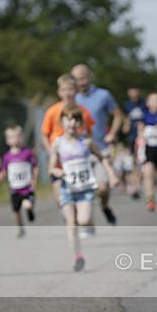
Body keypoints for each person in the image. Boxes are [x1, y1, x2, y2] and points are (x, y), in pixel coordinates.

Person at [48, 105, 118, 272]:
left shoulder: (86, 142)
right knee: (71, 224)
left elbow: (102, 158)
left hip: (85, 189)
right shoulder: (57, 144)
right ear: (62, 122)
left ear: (80, 123)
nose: (72, 123)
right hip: (67, 189)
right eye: (68, 119)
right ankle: (78, 256)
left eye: (75, 120)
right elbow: (50, 167)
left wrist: (111, 174)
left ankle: (89, 224)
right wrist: (56, 170)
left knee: (84, 220)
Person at [71, 64, 124, 225]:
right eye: (76, 79)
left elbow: (118, 115)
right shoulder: (72, 98)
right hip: (79, 151)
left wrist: (112, 133)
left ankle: (105, 206)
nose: (81, 82)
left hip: (100, 148)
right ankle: (84, 219)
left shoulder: (103, 95)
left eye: (83, 77)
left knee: (103, 188)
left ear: (90, 77)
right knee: (81, 190)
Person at [41, 74, 95, 203]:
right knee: (61, 201)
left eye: (70, 89)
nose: (68, 93)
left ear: (76, 91)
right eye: (64, 90)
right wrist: (51, 152)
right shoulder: (52, 111)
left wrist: (87, 151)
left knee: (82, 203)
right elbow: (45, 135)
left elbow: (89, 133)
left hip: (77, 164)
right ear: (59, 92)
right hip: (59, 164)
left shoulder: (83, 112)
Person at [0, 125, 38, 238]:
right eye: (11, 137)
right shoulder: (7, 157)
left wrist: (34, 180)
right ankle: (19, 227)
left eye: (16, 137)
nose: (14, 140)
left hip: (27, 187)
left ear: (21, 138)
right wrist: (1, 176)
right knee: (16, 211)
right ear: (7, 140)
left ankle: (30, 211)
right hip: (14, 188)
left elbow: (35, 166)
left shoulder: (27, 153)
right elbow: (4, 170)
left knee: (27, 205)